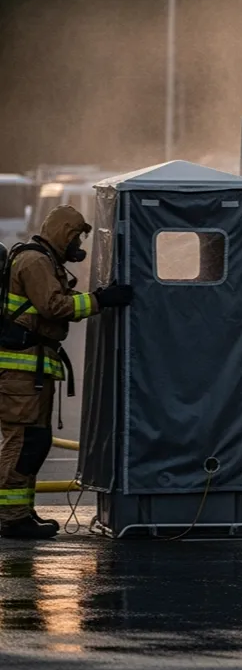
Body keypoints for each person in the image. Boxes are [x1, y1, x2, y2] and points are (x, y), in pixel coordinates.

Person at [0, 205, 133, 538]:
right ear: (64, 233)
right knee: (23, 443)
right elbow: (54, 306)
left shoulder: (45, 261)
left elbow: (55, 299)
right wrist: (101, 300)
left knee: (34, 442)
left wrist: (97, 297)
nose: (78, 245)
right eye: (76, 238)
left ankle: (20, 512)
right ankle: (10, 518)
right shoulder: (35, 262)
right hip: (21, 372)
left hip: (32, 370)